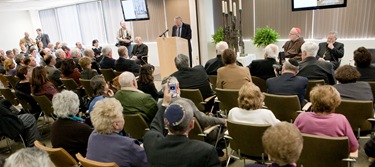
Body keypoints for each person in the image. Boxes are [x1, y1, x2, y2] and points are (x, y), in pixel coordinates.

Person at [143, 94, 221, 166]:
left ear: (165, 123)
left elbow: (155, 127)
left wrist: (164, 104)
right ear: (192, 125)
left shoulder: (150, 142)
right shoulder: (206, 151)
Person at [294, 85, 359, 153]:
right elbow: (354, 147)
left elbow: (292, 141)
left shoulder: (302, 117)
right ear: (336, 102)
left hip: (306, 161)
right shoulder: (341, 120)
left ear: (312, 101)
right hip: (333, 161)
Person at [87, 98, 148, 167]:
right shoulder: (128, 145)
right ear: (116, 125)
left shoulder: (92, 136)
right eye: (122, 114)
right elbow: (151, 163)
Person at [51, 90, 93, 158]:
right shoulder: (81, 128)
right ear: (75, 107)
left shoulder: (54, 126)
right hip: (83, 161)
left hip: (66, 161)